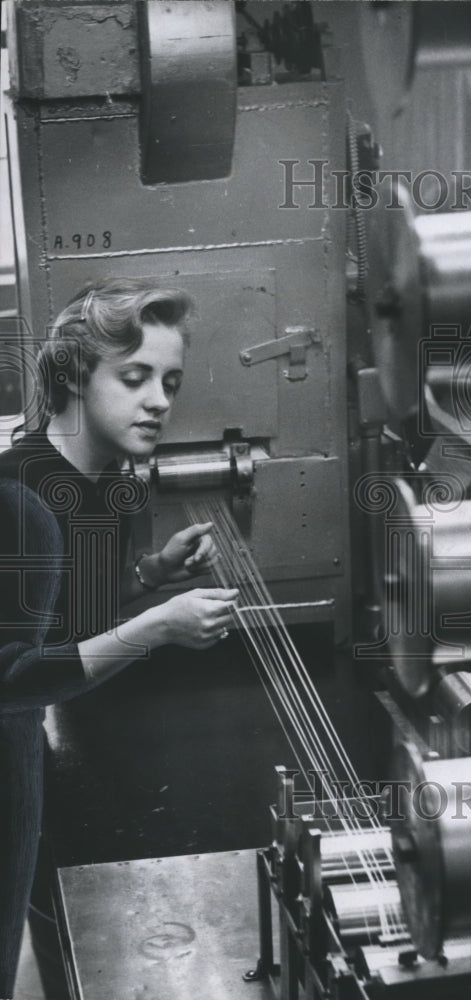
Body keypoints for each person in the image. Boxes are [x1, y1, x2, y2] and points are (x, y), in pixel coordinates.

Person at [0, 277, 238, 997]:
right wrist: (159, 626)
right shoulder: (21, 499)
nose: (160, 401)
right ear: (74, 375)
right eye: (134, 378)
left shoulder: (106, 484)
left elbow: (74, 613)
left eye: (169, 381)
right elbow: (11, 679)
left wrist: (155, 573)